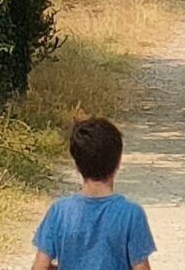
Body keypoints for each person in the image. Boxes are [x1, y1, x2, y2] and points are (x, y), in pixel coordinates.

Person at [31, 116, 156, 270]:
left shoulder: (59, 211)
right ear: (118, 162)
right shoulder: (131, 214)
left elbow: (40, 266)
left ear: (76, 164)